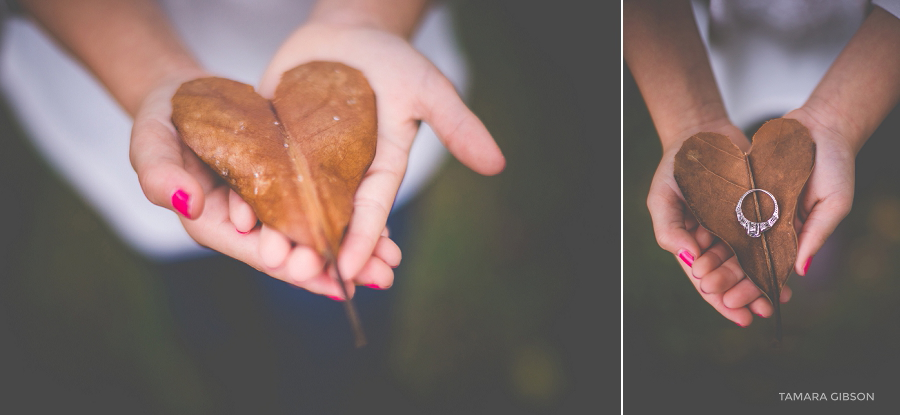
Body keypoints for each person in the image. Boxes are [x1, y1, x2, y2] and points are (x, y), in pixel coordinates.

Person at [3, 0, 505, 297]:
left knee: (330, 319)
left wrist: (367, 16)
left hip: (369, 65)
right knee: (212, 316)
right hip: (118, 67)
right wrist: (148, 73)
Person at [624, 0, 900, 327]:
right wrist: (687, 120)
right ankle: (810, 225)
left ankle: (807, 215)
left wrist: (840, 121)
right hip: (695, 56)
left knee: (831, 166)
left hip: (866, 61)